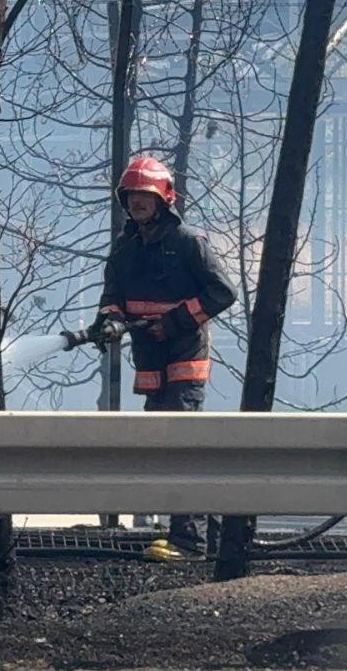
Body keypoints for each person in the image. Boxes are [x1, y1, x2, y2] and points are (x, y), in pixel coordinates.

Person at [95, 156, 236, 562]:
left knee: (181, 444)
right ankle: (199, 532)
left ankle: (190, 542)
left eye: (146, 194)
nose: (137, 202)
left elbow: (223, 292)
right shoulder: (125, 249)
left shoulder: (189, 243)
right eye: (132, 195)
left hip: (184, 352)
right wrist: (109, 322)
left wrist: (172, 323)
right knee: (164, 443)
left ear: (164, 199)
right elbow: (112, 300)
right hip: (151, 358)